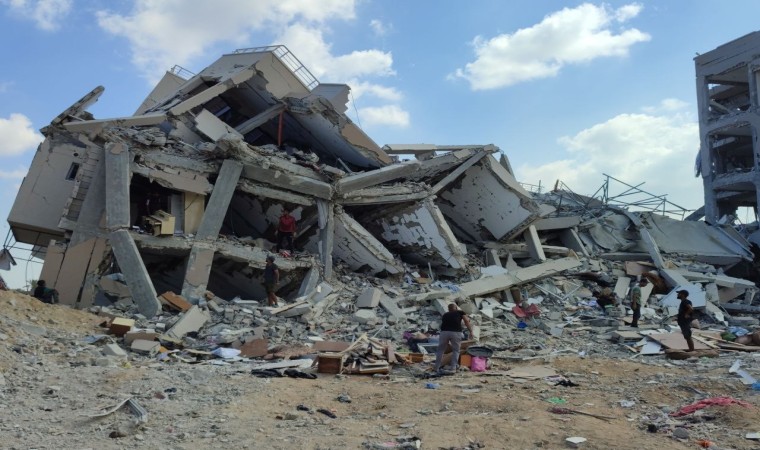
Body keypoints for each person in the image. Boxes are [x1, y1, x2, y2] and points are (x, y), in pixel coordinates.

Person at [434, 303, 473, 374]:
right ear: (456, 308)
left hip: (444, 332)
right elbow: (466, 321)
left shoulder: (445, 314)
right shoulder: (460, 312)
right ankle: (453, 368)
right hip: (455, 332)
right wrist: (471, 331)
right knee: (456, 350)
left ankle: (436, 368)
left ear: (448, 309)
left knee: (440, 350)